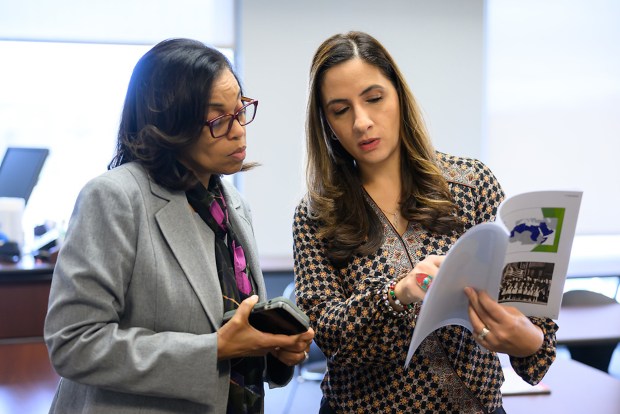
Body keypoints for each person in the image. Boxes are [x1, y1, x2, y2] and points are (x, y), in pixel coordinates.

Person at [44, 38, 314, 414]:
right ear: (169, 122)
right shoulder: (115, 198)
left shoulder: (233, 204)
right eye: (219, 119)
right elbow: (73, 343)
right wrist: (215, 349)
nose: (239, 131)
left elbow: (236, 332)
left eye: (240, 111)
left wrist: (274, 349)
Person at [293, 31, 557, 414]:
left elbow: (534, 319)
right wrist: (396, 294)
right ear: (326, 123)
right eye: (340, 109)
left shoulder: (472, 184)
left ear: (399, 95)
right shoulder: (317, 214)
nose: (362, 122)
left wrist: (528, 339)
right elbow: (327, 333)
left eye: (374, 98)